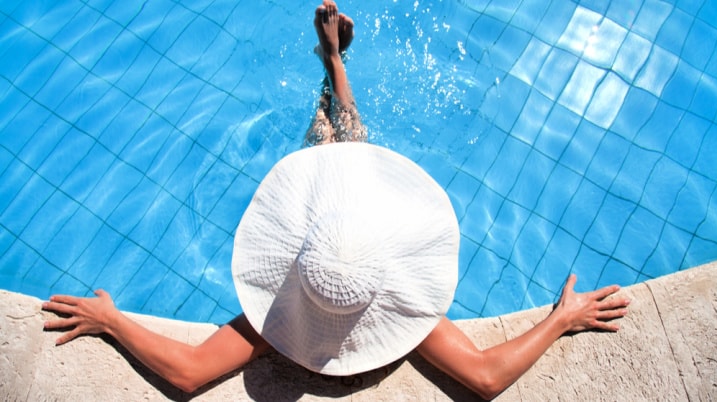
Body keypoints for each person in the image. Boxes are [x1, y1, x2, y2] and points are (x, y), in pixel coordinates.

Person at [42, 2, 631, 400]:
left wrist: (112, 320)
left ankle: (332, 64)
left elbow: (189, 374)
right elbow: (483, 378)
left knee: (333, 148)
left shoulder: (273, 325)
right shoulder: (403, 310)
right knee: (342, 150)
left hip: (340, 234)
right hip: (354, 235)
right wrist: (562, 319)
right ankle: (333, 63)